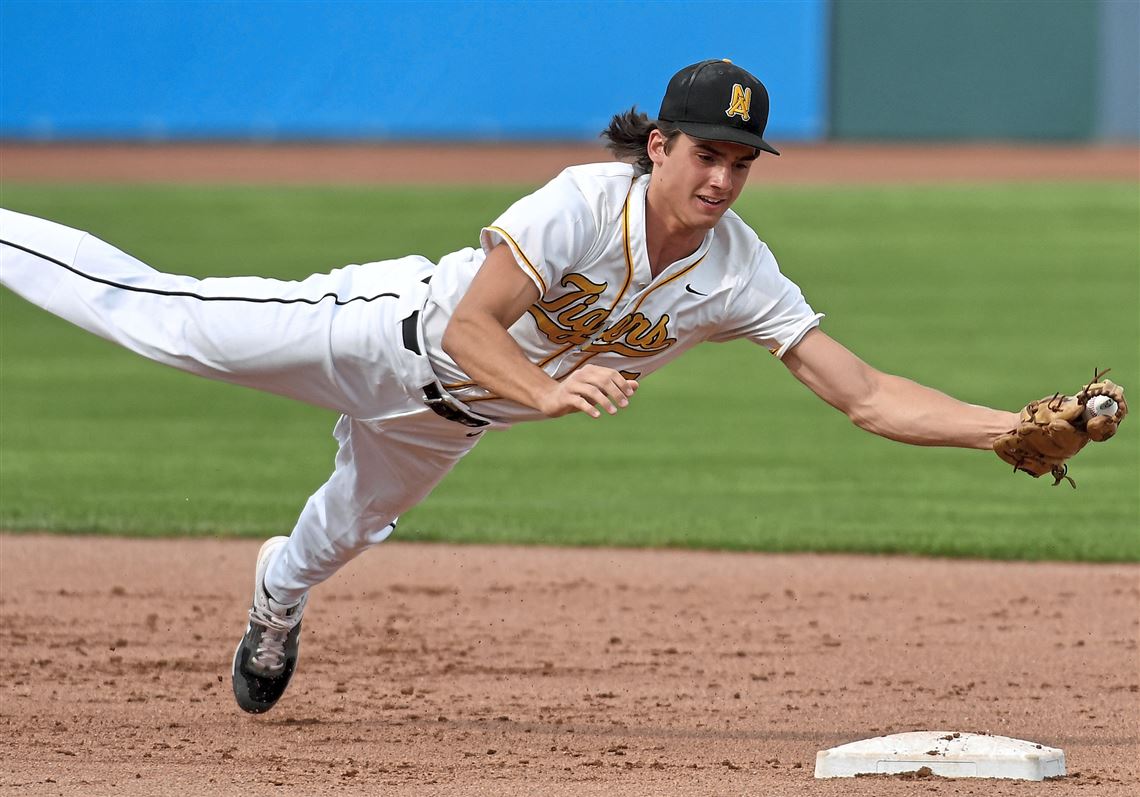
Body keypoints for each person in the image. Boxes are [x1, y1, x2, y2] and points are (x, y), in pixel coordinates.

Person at [0, 59, 1085, 715]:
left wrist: (1005, 427)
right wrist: (548, 391)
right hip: (381, 336)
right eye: (706, 151)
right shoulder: (580, 201)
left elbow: (863, 392)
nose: (721, 177)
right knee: (167, 321)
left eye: (742, 161)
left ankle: (273, 603)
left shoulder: (738, 269)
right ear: (660, 145)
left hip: (443, 425)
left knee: (334, 540)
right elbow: (473, 323)